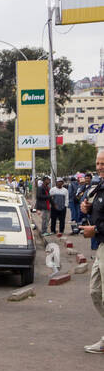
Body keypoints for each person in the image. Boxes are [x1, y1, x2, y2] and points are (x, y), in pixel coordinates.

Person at [81, 149, 104, 353]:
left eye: (103, 163)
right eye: (97, 163)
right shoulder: (99, 186)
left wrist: (95, 229)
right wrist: (86, 208)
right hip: (100, 246)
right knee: (95, 291)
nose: (99, 167)